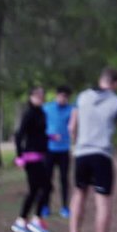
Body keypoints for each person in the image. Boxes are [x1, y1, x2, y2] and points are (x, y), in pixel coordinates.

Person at [68, 67, 117, 232]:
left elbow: (71, 126)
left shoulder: (82, 97)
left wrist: (76, 143)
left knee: (79, 193)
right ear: (115, 83)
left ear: (101, 79)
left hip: (81, 153)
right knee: (103, 202)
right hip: (102, 156)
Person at [11, 86, 52, 232]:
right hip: (30, 157)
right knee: (42, 188)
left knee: (40, 189)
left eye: (42, 94)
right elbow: (19, 135)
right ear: (31, 97)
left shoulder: (41, 113)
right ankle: (24, 221)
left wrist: (49, 137)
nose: (41, 97)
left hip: (40, 155)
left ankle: (30, 220)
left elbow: (38, 134)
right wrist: (19, 156)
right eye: (37, 94)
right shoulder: (29, 114)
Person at [41, 85, 74, 218]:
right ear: (57, 95)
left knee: (64, 179)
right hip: (49, 150)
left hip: (64, 150)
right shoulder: (46, 109)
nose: (63, 99)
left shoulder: (71, 110)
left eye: (66, 97)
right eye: (61, 96)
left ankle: (65, 207)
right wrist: (49, 136)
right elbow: (40, 128)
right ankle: (45, 206)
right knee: (47, 179)